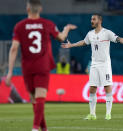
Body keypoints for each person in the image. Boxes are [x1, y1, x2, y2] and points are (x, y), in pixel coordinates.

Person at [5, 0, 77, 130]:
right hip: (42, 65)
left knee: (35, 100)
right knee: (40, 99)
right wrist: (66, 29)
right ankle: (38, 128)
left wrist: (10, 72)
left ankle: (40, 128)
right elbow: (61, 38)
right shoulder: (47, 24)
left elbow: (14, 48)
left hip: (27, 67)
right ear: (40, 10)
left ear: (28, 9)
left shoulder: (19, 26)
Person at [61, 13, 123, 120]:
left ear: (100, 21)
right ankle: (92, 114)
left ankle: (108, 114)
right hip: (94, 64)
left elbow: (119, 39)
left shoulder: (106, 33)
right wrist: (72, 45)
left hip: (105, 64)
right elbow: (84, 42)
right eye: (91, 19)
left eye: (94, 19)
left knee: (107, 87)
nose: (91, 21)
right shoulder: (90, 34)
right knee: (92, 89)